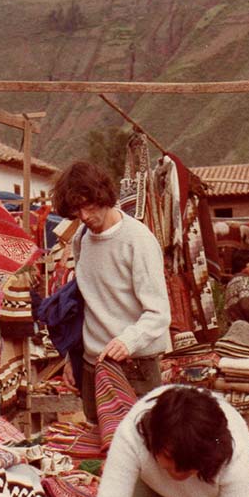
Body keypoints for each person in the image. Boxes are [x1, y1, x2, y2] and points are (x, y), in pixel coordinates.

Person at [51, 161, 171, 422]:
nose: (83, 216)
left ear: (103, 196)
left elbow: (159, 313)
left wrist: (127, 341)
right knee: (100, 444)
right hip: (93, 365)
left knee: (142, 445)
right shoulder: (81, 238)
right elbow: (87, 304)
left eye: (88, 207)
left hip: (135, 366)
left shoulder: (137, 240)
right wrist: (74, 358)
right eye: (76, 210)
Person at [93, 385, 249, 497]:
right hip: (153, 487)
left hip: (208, 495)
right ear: (153, 440)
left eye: (188, 466)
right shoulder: (131, 434)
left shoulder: (236, 449)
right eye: (169, 459)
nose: (177, 473)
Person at [224, 248, 249, 341]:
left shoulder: (231, 283)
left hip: (233, 331)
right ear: (243, 265)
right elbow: (245, 303)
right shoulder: (246, 280)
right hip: (246, 333)